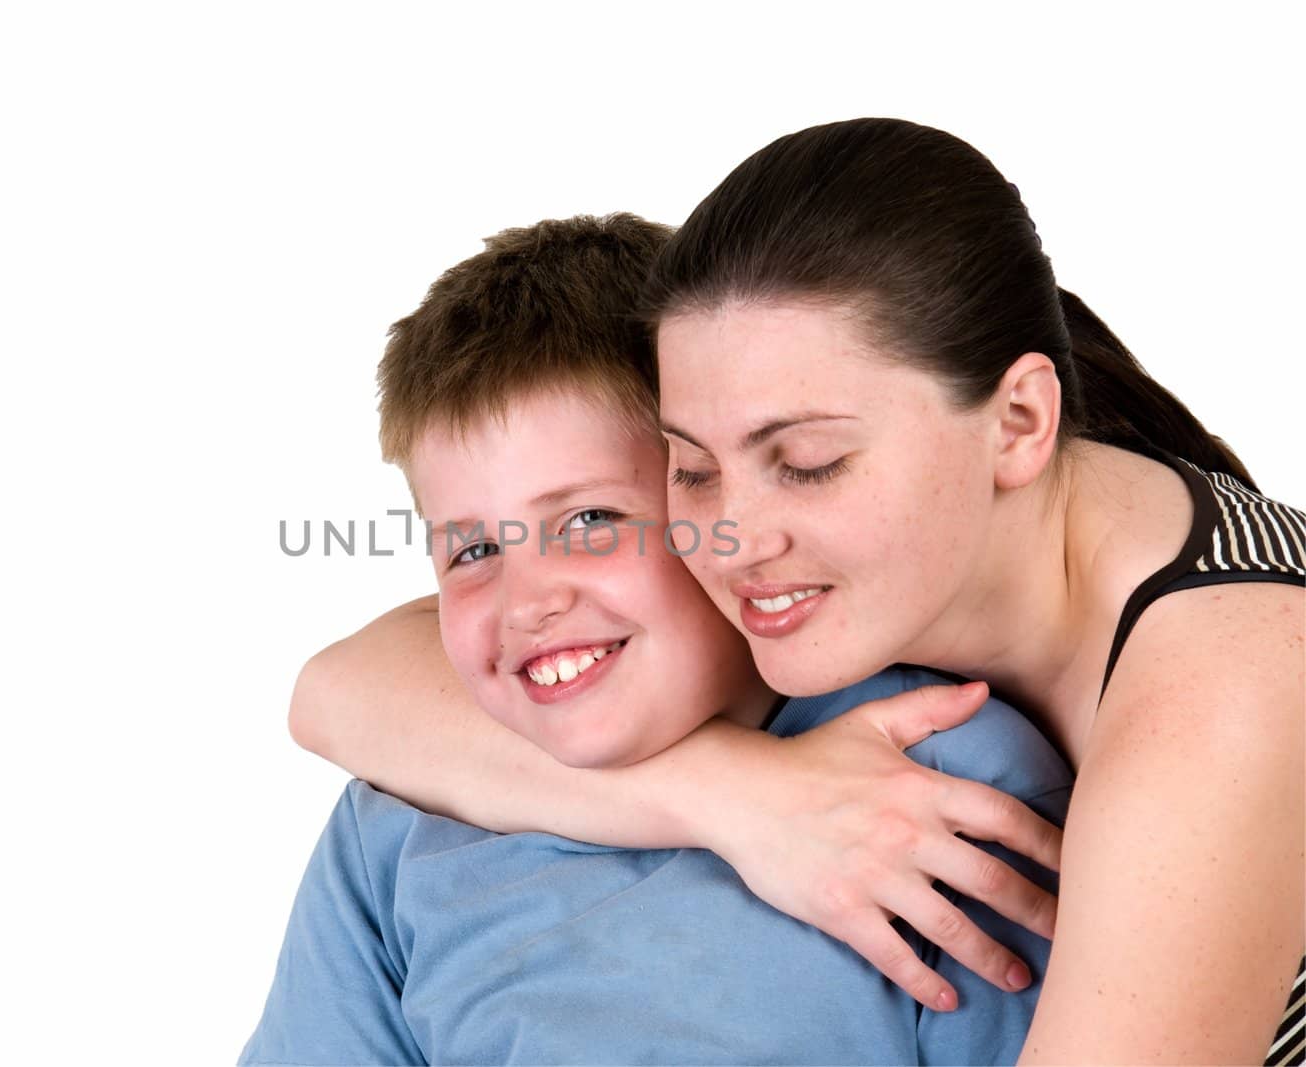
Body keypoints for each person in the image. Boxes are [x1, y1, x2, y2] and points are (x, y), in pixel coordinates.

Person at [291, 123, 1306, 1065]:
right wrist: (739, 795)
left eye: (808, 460)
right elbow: (339, 691)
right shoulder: (919, 567)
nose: (735, 537)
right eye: (690, 468)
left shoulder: (1225, 696)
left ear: (1018, 421)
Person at [243, 215, 1073, 1065]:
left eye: (591, 519)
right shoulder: (400, 821)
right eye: (475, 549)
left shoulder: (943, 786)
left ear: (711, 495)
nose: (528, 601)